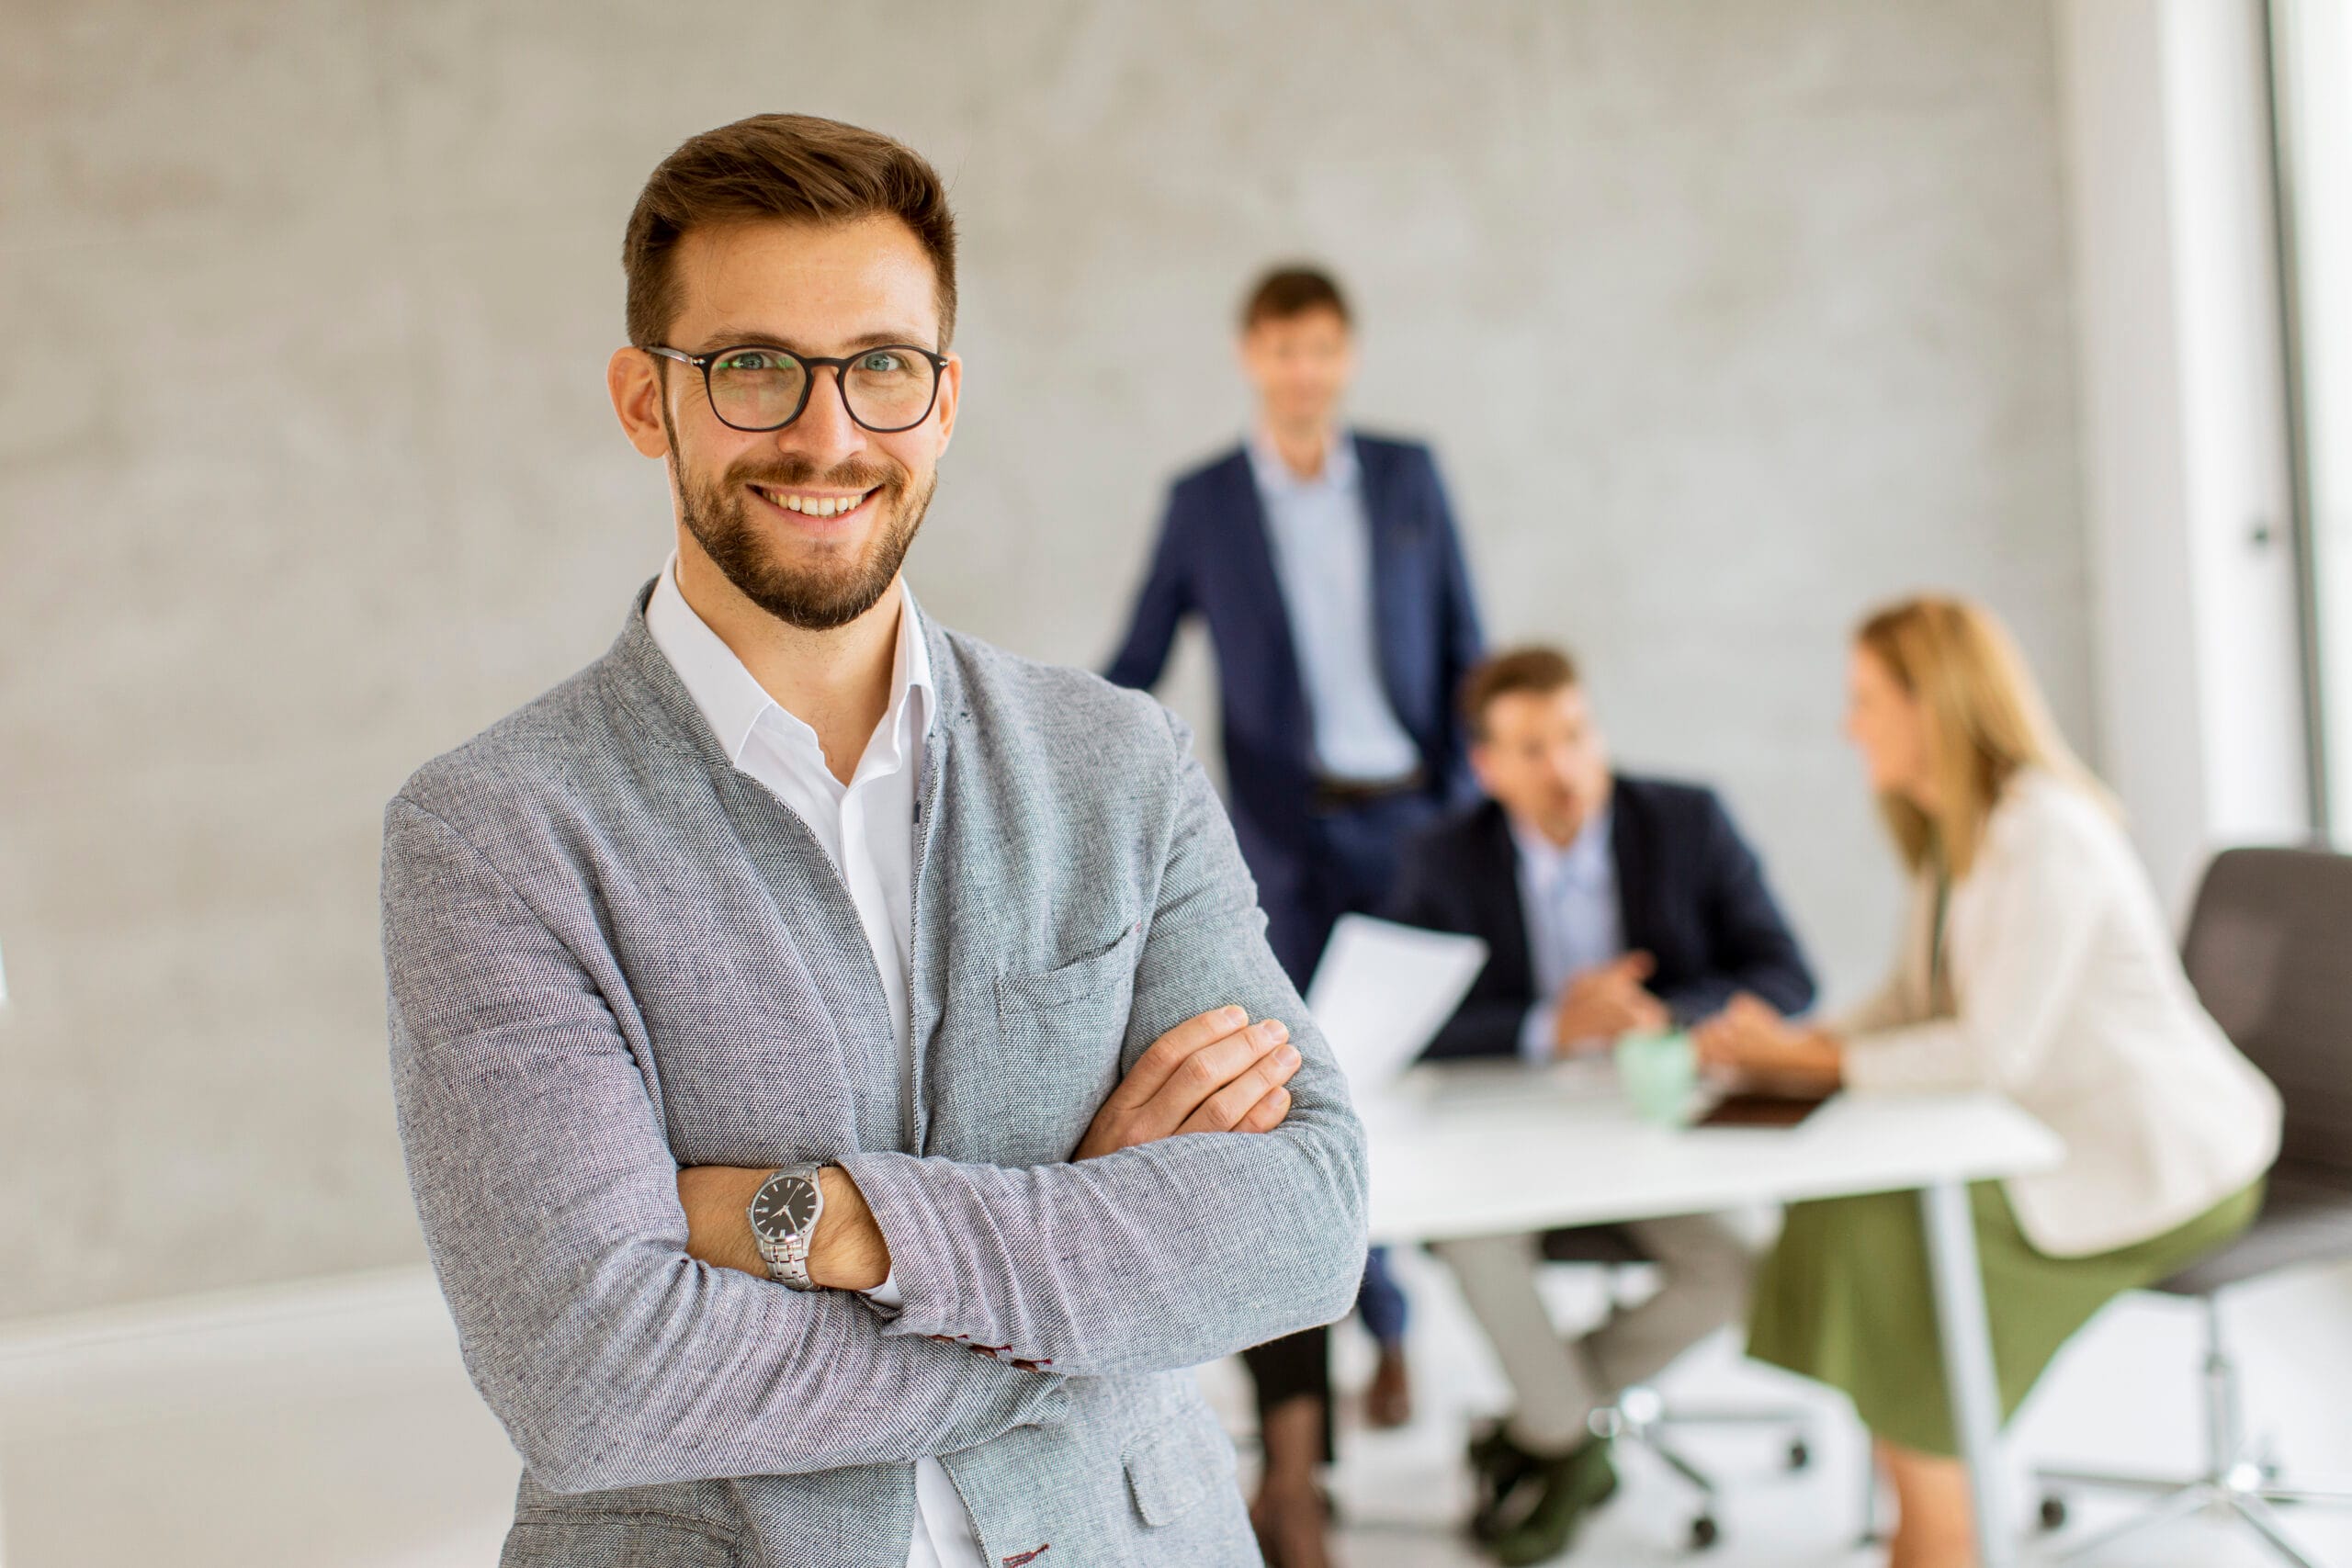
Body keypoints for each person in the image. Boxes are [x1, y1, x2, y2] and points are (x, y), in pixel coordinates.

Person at [380, 115, 1368, 1568]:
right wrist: (1089, 1266)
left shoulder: (1118, 762)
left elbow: (1306, 1218)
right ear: (646, 400)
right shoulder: (495, 836)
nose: (829, 433)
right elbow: (597, 1378)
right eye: (752, 366)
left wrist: (836, 1224)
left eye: (882, 367)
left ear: (946, 397)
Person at [1696, 595, 2281, 1568]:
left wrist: (1819, 1064)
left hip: (2162, 1160)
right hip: (2046, 1139)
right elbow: (1910, 999)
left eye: (1867, 701)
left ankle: (1943, 1533)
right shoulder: (1953, 831)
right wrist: (1794, 1043)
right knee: (1853, 1207)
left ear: (1937, 704)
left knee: (1892, 1235)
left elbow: (1989, 1053)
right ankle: (1927, 1516)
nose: (1849, 727)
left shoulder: (2045, 832)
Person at [1105, 265, 1484, 1559]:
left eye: (1321, 347)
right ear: (1250, 355)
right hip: (1278, 840)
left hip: (1413, 829)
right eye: (1281, 347)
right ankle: (1299, 1456)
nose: (1302, 368)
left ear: (1347, 355)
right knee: (1281, 1112)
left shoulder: (1410, 477)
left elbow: (1469, 656)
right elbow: (1138, 662)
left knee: (1405, 1089)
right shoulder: (1204, 504)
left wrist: (1473, 808)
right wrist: (1074, 772)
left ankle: (1385, 1313)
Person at [1383, 646, 1816, 1564]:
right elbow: (1410, 1024)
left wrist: (1669, 1016)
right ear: (1487, 768)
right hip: (1501, 1140)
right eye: (1532, 749)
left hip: (1652, 1127)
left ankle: (1548, 1430)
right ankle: (1567, 1434)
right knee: (1471, 1241)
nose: (1564, 768)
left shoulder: (1686, 822)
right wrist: (1549, 1024)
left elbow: (1787, 973)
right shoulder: (1441, 858)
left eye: (1576, 737)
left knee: (1741, 1261)